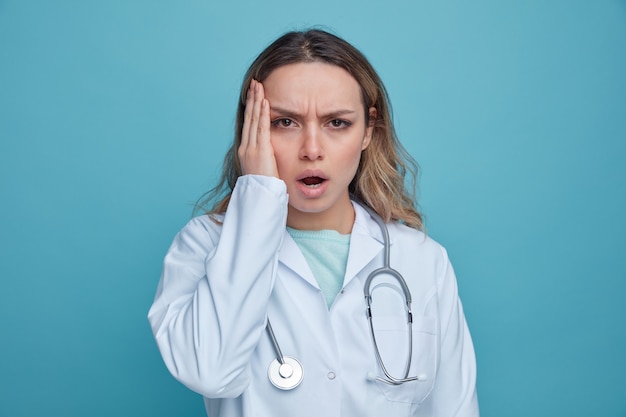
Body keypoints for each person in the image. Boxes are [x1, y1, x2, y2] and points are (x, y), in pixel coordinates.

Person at [148, 29, 479, 417]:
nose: (311, 150)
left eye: (336, 123)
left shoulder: (422, 260)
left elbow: (453, 409)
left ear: (369, 131)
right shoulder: (204, 247)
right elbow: (209, 372)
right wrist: (256, 198)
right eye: (284, 122)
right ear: (252, 131)